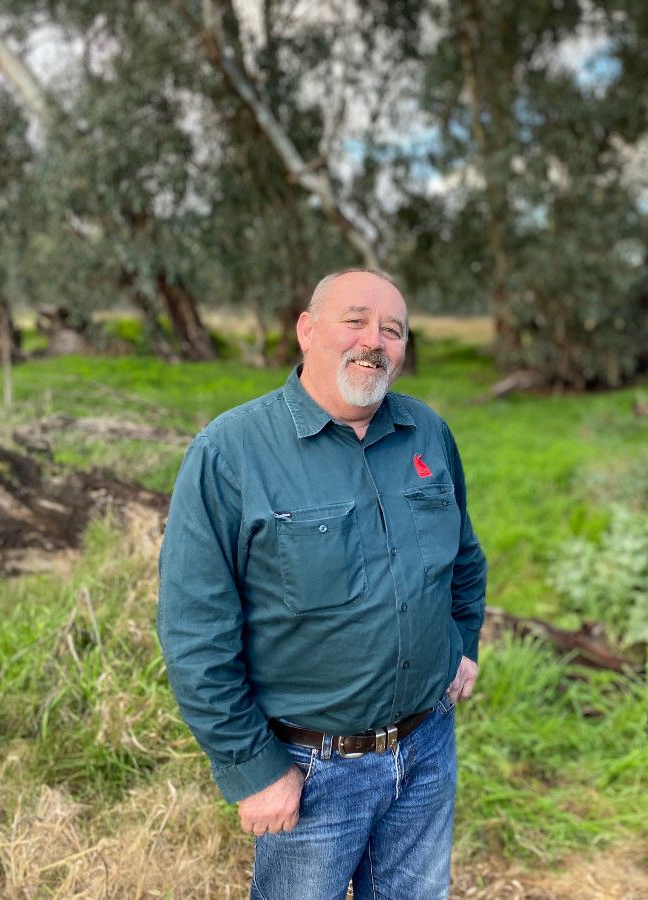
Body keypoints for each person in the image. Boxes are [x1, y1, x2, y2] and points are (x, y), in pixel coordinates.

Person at [158, 269, 487, 900]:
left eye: (393, 330)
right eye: (356, 321)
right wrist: (253, 769)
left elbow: (463, 559)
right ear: (307, 331)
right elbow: (195, 631)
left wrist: (463, 642)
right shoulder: (230, 452)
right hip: (309, 770)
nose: (376, 341)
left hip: (425, 751)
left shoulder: (427, 434)